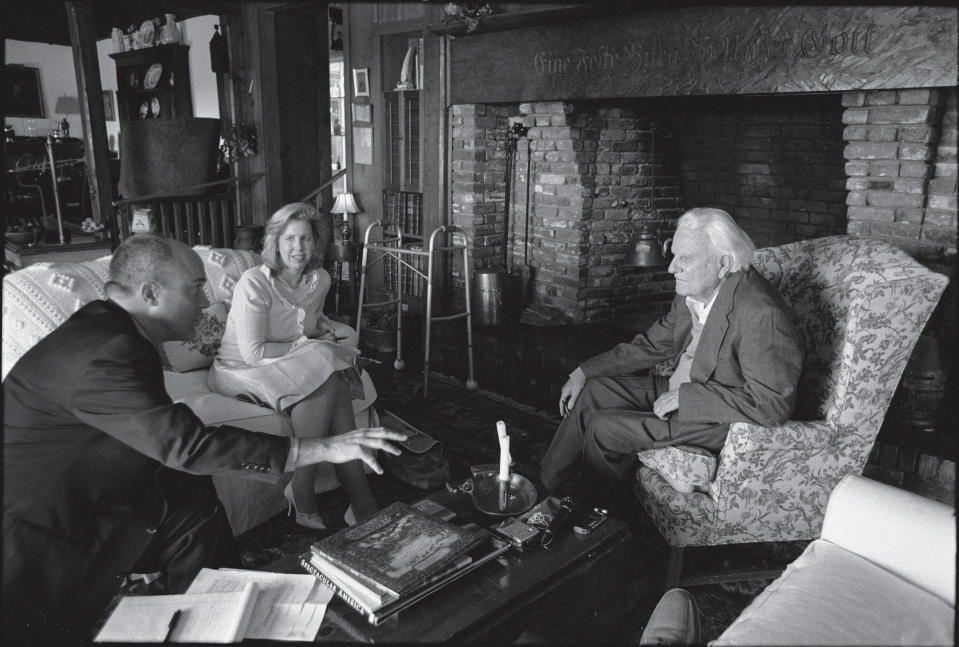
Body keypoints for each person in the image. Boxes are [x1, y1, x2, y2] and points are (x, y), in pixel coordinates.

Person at [1, 233, 406, 639]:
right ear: (151, 293)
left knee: (193, 500)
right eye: (196, 288)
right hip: (43, 527)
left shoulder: (114, 331)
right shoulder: (107, 348)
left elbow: (169, 436)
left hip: (104, 480)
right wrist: (324, 447)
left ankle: (219, 616)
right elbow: (184, 444)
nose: (204, 302)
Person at [539, 207, 803, 499]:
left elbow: (772, 405)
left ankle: (598, 518)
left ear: (723, 264)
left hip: (718, 417)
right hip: (686, 387)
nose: (671, 268)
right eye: (673, 255)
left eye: (685, 259)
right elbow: (652, 346)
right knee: (594, 391)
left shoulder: (761, 313)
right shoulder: (695, 290)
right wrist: (583, 371)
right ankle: (543, 489)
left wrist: (686, 398)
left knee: (605, 428)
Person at [209, 202, 377, 530]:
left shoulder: (320, 280)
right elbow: (254, 352)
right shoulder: (253, 283)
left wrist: (322, 329)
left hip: (287, 359)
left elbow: (303, 322)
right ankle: (340, 497)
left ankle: (350, 501)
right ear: (275, 242)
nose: (297, 248)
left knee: (333, 381)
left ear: (316, 243)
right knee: (329, 374)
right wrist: (309, 346)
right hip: (240, 368)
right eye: (289, 239)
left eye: (305, 239)